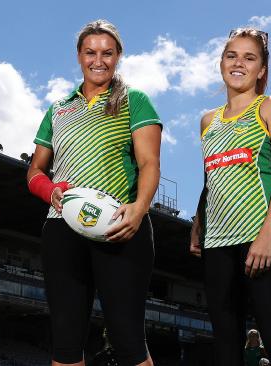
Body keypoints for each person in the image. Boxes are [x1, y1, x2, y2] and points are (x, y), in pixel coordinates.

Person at [27, 19, 161, 366]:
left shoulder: (134, 100)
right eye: (90, 52)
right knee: (66, 341)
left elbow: (149, 164)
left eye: (107, 52)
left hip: (119, 225)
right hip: (61, 227)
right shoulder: (58, 109)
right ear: (78, 56)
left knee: (127, 339)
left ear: (118, 56)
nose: (98, 60)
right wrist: (49, 190)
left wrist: (139, 208)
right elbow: (35, 171)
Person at [189, 27, 271, 365]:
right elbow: (212, 178)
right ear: (222, 62)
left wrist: (265, 238)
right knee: (225, 342)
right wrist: (198, 223)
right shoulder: (208, 120)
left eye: (249, 57)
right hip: (218, 242)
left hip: (264, 240)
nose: (239, 63)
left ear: (261, 69)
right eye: (231, 55)